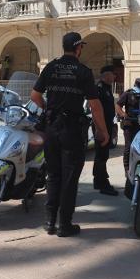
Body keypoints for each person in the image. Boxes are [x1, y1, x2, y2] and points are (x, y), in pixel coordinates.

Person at [31, 32, 109, 237]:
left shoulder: (51, 67)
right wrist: (103, 131)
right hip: (72, 130)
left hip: (51, 128)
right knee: (69, 178)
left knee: (53, 175)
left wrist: (48, 108)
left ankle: (49, 222)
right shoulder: (83, 72)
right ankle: (65, 225)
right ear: (78, 48)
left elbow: (35, 95)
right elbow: (95, 105)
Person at [92, 65, 119, 196]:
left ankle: (99, 181)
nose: (115, 76)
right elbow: (96, 111)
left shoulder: (107, 88)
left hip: (107, 125)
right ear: (106, 74)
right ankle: (102, 184)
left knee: (103, 155)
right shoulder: (99, 89)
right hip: (101, 127)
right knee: (101, 155)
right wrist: (99, 129)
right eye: (113, 74)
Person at [116, 77, 140, 181]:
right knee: (128, 147)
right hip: (129, 123)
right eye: (139, 84)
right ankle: (127, 169)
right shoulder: (128, 93)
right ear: (135, 84)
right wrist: (123, 114)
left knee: (139, 148)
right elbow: (118, 105)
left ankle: (138, 167)